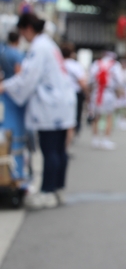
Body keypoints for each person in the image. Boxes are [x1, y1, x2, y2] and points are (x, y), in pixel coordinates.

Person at [0, 13, 76, 209]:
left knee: (50, 150)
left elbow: (27, 79)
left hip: (50, 105)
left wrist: (5, 86)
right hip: (62, 103)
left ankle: (47, 192)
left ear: (27, 29)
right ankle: (58, 189)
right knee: (60, 150)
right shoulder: (49, 44)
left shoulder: (39, 48)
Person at [0, 31, 27, 181]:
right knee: (16, 138)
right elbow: (20, 76)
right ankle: (16, 174)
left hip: (4, 96)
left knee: (4, 134)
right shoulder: (17, 55)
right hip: (15, 99)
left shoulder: (3, 52)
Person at [88, 51, 122, 150]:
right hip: (109, 93)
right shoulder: (115, 65)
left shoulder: (96, 64)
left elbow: (90, 79)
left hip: (97, 93)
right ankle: (106, 140)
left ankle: (95, 139)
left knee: (96, 116)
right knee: (109, 116)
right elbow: (119, 80)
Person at [61, 43, 87, 144]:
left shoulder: (59, 64)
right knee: (72, 119)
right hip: (74, 95)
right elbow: (82, 81)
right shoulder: (75, 65)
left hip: (60, 94)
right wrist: (87, 93)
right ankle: (68, 141)